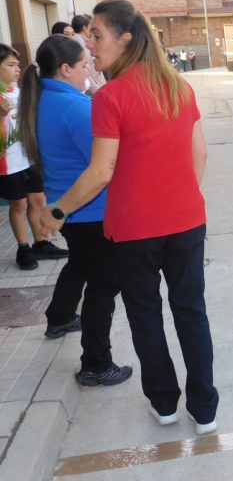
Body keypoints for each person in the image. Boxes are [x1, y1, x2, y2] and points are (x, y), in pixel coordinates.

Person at [39, 0, 219, 435]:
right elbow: (200, 153)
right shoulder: (180, 86)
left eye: (96, 36)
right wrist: (178, 199)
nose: (90, 45)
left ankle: (165, 405)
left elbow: (101, 171)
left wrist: (58, 210)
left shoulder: (111, 96)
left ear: (125, 40)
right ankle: (205, 409)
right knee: (191, 312)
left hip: (135, 230)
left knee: (145, 316)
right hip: (187, 221)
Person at [18, 34, 132, 384]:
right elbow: (102, 168)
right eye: (84, 66)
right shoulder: (77, 107)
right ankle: (96, 365)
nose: (89, 72)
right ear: (65, 69)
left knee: (81, 263)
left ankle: (60, 316)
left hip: (71, 211)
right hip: (89, 211)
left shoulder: (44, 100)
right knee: (103, 288)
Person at [0, 43, 70, 270]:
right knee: (18, 203)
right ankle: (23, 248)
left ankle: (40, 243)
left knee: (37, 200)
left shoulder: (21, 93)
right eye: (11, 65)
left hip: (28, 157)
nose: (17, 69)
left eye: (18, 65)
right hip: (7, 161)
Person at [71, 15, 106, 96]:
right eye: (90, 27)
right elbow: (86, 69)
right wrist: (98, 91)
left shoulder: (83, 41)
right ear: (84, 28)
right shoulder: (80, 42)